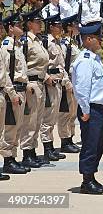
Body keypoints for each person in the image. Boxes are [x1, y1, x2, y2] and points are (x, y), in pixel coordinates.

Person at [72, 20, 103, 194]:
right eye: (97, 38)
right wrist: (86, 111)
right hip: (91, 109)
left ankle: (91, 177)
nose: (101, 40)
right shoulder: (85, 61)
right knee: (90, 144)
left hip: (97, 109)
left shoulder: (94, 58)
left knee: (97, 145)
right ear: (88, 39)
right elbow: (82, 88)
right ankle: (87, 180)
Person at [0, 13, 29, 176]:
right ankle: (8, 159)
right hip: (13, 91)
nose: (21, 26)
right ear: (10, 28)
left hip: (20, 89)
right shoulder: (7, 47)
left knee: (17, 126)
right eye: (18, 24)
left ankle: (13, 157)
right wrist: (11, 94)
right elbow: (5, 74)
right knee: (10, 128)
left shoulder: (17, 45)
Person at [20, 9, 50, 167]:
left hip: (40, 83)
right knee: (30, 120)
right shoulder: (26, 41)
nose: (40, 24)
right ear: (29, 23)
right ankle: (26, 153)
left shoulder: (37, 40)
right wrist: (25, 83)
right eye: (37, 22)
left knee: (37, 120)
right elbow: (21, 64)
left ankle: (32, 151)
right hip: (31, 84)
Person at [39, 14, 67, 162]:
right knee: (48, 117)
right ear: (51, 27)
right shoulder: (47, 42)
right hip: (50, 83)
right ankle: (47, 148)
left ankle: (50, 147)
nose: (61, 29)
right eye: (58, 26)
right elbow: (41, 64)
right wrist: (45, 78)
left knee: (54, 117)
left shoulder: (57, 42)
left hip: (58, 82)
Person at [58, 14, 81, 153]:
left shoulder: (73, 43)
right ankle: (64, 140)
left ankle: (70, 138)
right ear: (69, 27)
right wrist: (66, 82)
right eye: (75, 25)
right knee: (65, 113)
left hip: (75, 81)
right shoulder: (64, 44)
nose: (78, 27)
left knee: (72, 112)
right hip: (68, 80)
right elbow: (64, 64)